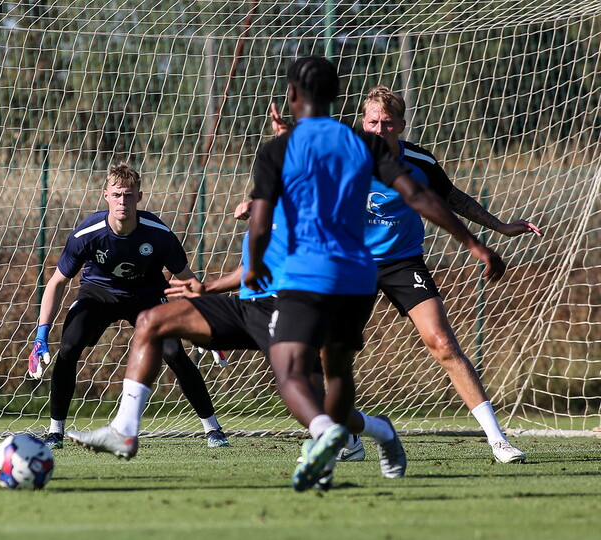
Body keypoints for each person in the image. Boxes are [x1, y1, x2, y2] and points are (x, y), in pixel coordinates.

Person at [67, 56, 505, 492]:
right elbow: (420, 197)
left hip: (313, 288)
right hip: (310, 289)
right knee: (154, 322)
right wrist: (475, 244)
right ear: (337, 100)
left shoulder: (291, 152)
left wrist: (255, 262)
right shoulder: (351, 149)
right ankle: (127, 429)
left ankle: (348, 437)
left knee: (306, 384)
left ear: (292, 97)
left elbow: (262, 229)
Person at [355, 85, 540, 462]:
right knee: (332, 350)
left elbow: (451, 197)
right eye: (373, 121)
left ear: (401, 126)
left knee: (443, 343)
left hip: (402, 262)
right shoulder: (342, 156)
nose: (379, 129)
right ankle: (346, 437)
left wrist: (499, 227)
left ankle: (498, 441)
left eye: (387, 123)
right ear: (363, 122)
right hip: (350, 263)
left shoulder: (419, 162)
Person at [27, 163, 229, 449]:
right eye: (118, 194)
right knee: (69, 347)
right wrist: (40, 337)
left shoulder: (158, 234)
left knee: (173, 351)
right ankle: (55, 431)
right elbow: (56, 282)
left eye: (130, 195)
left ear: (140, 197)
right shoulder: (88, 233)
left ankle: (213, 429)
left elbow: (189, 282)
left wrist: (211, 327)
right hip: (98, 294)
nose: (124, 201)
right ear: (106, 196)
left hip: (147, 296)